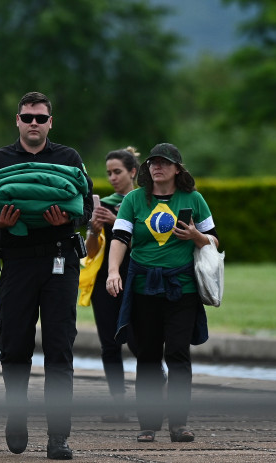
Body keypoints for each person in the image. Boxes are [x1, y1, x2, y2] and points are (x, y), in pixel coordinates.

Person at [0, 91, 93, 460]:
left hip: (60, 261)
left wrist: (70, 219)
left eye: (41, 118)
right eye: (28, 117)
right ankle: (16, 417)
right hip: (17, 262)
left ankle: (58, 437)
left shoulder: (68, 158)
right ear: (18, 120)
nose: (34, 124)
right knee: (13, 347)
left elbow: (86, 206)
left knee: (60, 350)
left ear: (50, 122)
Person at [106, 143, 217, 444]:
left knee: (178, 354)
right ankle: (148, 424)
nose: (157, 167)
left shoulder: (193, 199)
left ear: (178, 169)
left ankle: (179, 424)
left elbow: (215, 242)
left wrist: (196, 236)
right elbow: (120, 238)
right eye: (153, 162)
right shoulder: (133, 200)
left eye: (165, 163)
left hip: (182, 290)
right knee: (148, 356)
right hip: (143, 288)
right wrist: (113, 271)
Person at [83, 147, 140, 422]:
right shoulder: (103, 205)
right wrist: (94, 229)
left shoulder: (144, 202)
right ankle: (118, 404)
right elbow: (90, 251)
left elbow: (147, 238)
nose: (113, 178)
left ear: (133, 172)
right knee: (109, 343)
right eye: (109, 173)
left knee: (143, 343)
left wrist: (116, 221)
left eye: (117, 172)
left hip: (138, 279)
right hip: (106, 281)